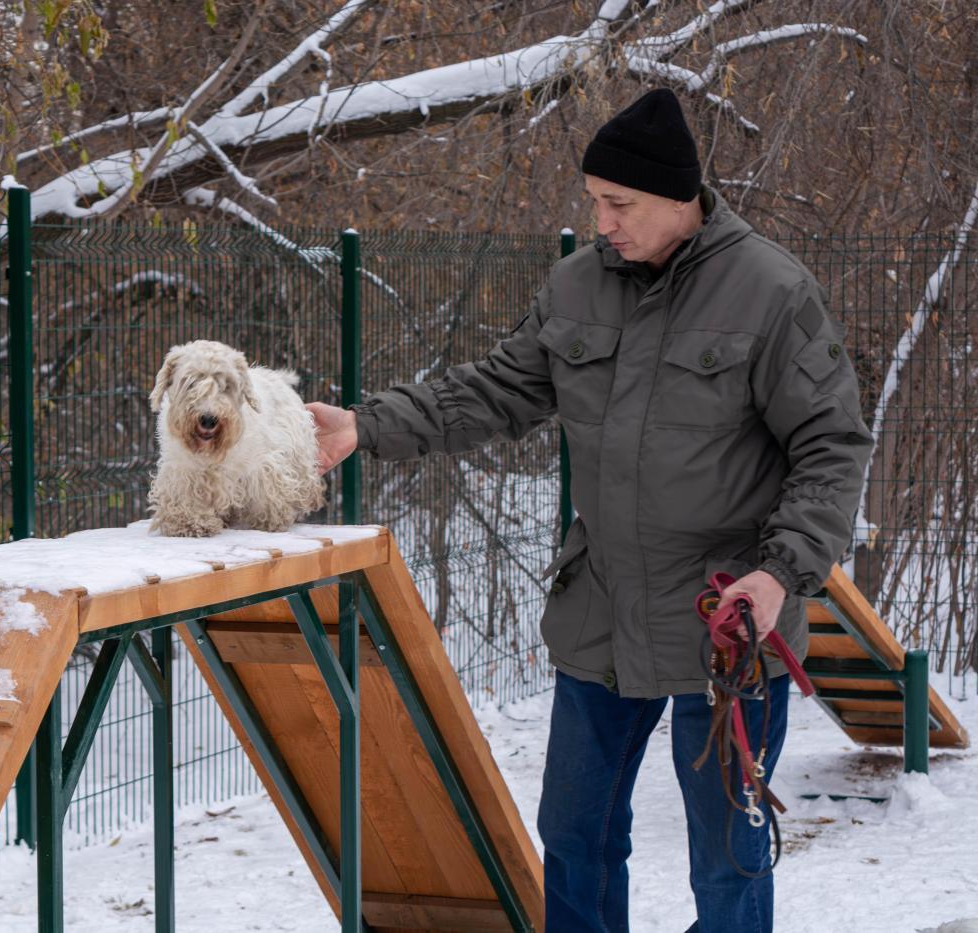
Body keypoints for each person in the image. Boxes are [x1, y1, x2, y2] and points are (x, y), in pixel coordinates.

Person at [305, 87, 873, 932]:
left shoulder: (772, 292)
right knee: (574, 837)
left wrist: (781, 572)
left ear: (678, 197)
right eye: (595, 201)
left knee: (728, 860)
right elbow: (495, 391)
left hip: (727, 618)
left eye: (620, 203)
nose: (602, 222)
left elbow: (832, 446)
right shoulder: (577, 286)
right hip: (602, 611)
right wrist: (365, 425)